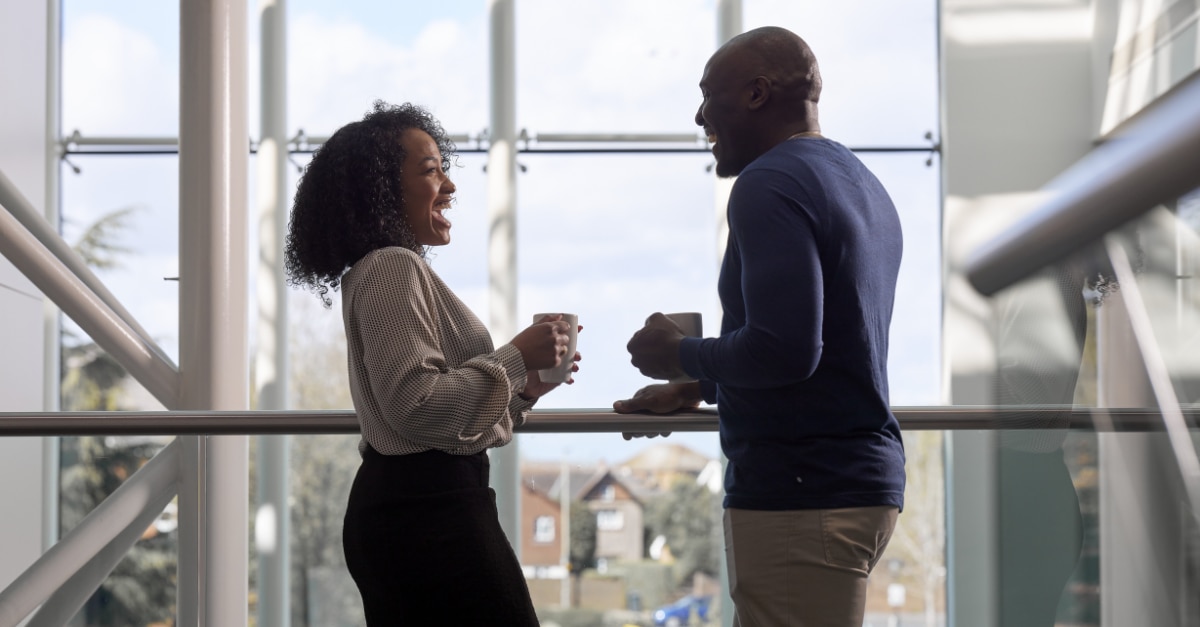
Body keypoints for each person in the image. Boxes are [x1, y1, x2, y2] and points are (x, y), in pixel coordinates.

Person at [615, 27, 905, 626]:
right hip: (855, 482)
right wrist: (703, 388)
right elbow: (830, 351)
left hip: (802, 492)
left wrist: (683, 354)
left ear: (755, 94)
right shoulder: (860, 182)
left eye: (707, 96)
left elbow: (785, 350)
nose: (699, 117)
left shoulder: (768, 183)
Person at [284, 101, 579, 625]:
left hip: (419, 506)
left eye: (444, 169)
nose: (449, 186)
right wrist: (514, 357)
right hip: (427, 513)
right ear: (382, 188)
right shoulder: (391, 268)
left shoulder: (380, 270)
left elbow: (439, 416)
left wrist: (524, 388)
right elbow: (417, 408)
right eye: (430, 171)